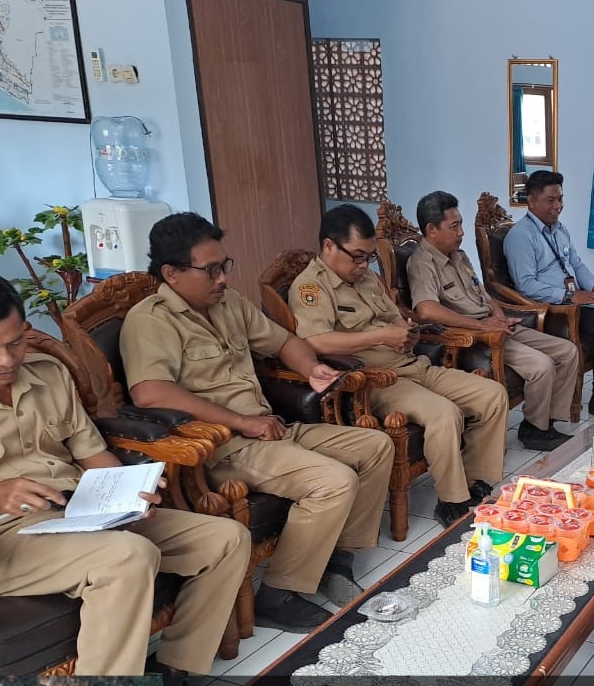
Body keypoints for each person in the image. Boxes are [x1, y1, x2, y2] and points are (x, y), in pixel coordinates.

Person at [0, 270, 251, 686]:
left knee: (226, 539)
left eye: (15, 343)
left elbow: (92, 453)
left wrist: (126, 495)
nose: (6, 360)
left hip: (80, 512)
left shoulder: (48, 373)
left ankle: (173, 670)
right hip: (0, 539)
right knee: (128, 557)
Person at [121, 213, 394, 634]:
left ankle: (336, 560)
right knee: (334, 480)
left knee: (376, 446)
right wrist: (241, 422)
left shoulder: (229, 304)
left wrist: (312, 369)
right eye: (210, 270)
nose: (222, 279)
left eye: (224, 266)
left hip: (271, 427)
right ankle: (279, 594)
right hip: (225, 447)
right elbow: (150, 392)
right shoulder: (150, 320)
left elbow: (284, 340)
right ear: (171, 273)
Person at [290, 204, 508, 527]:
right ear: (328, 246)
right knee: (443, 414)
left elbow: (397, 318)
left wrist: (407, 332)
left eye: (369, 257)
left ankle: (474, 481)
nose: (363, 265)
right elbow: (315, 341)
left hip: (412, 364)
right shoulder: (310, 288)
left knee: (492, 395)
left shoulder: (368, 279)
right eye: (357, 256)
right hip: (379, 380)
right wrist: (381, 336)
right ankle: (453, 501)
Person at [407, 190, 579, 453]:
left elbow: (484, 295)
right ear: (431, 230)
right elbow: (426, 310)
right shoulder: (422, 263)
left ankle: (547, 422)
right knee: (542, 365)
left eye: (461, 224)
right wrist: (482, 326)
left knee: (568, 351)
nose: (461, 232)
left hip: (495, 325)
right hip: (475, 337)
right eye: (454, 227)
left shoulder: (459, 256)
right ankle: (535, 428)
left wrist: (498, 316)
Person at [503, 170, 594, 417]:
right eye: (551, 200)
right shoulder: (520, 236)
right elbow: (525, 285)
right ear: (532, 201)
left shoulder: (559, 229)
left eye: (560, 199)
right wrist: (569, 297)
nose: (558, 206)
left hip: (575, 300)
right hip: (551, 309)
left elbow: (576, 264)